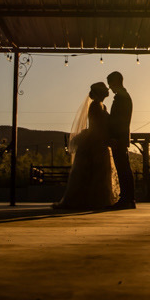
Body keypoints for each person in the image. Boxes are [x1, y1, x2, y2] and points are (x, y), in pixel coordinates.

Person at [52, 82, 119, 210]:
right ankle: (93, 200)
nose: (108, 89)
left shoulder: (101, 106)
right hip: (96, 143)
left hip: (99, 142)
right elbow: (96, 126)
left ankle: (97, 200)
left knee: (99, 173)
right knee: (95, 172)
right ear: (100, 92)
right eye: (105, 88)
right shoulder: (95, 106)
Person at [106, 71, 137, 209]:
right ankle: (128, 198)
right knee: (123, 168)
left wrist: (115, 137)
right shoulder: (123, 97)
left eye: (110, 84)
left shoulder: (122, 98)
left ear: (116, 82)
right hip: (121, 138)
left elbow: (120, 121)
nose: (110, 88)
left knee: (123, 169)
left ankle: (127, 199)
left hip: (119, 138)